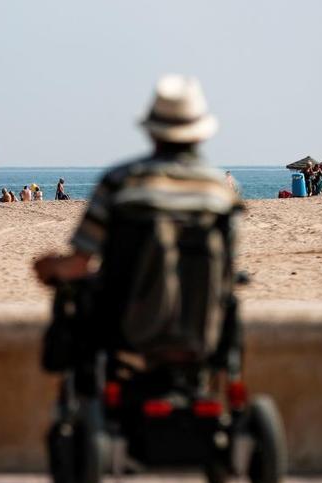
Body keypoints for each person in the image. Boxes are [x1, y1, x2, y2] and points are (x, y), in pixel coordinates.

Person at [34, 74, 237, 316]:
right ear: (201, 133)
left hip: (126, 325)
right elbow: (226, 266)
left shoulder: (120, 182)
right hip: (199, 326)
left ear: (152, 132)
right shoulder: (221, 191)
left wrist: (48, 266)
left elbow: (79, 264)